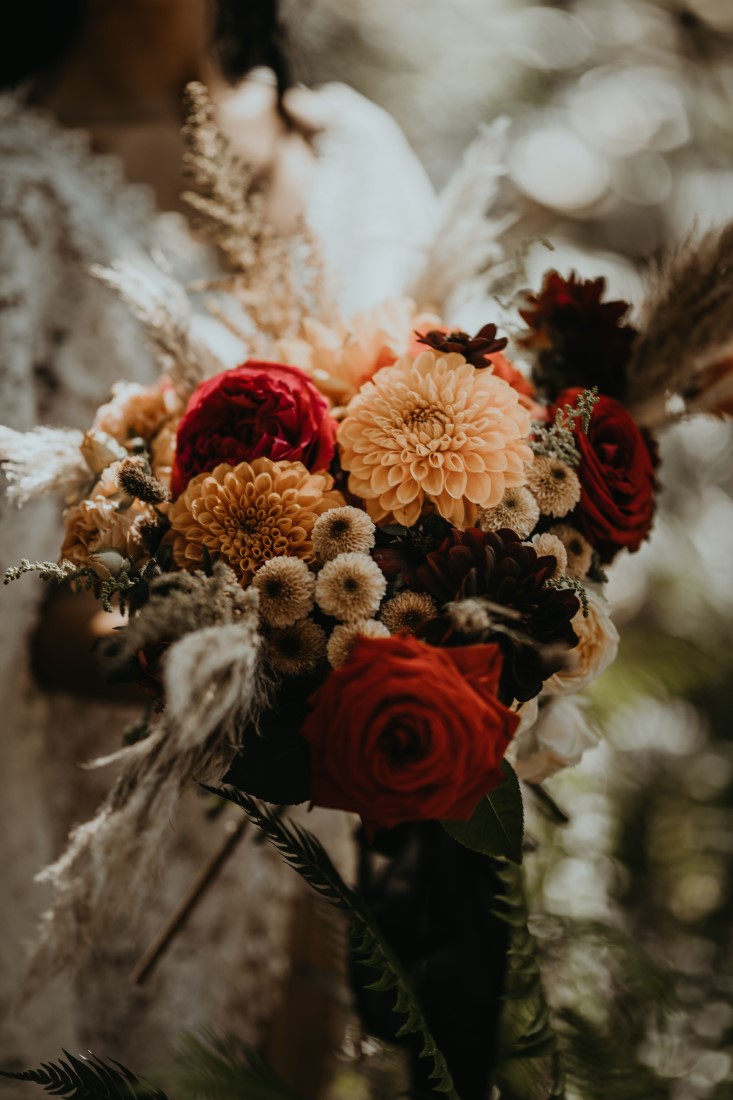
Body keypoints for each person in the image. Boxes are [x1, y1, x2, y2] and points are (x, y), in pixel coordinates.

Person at [0, 1, 436, 1091]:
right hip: (118, 844)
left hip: (338, 818)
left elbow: (473, 418)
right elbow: (26, 618)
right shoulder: (17, 186)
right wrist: (265, 654)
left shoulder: (354, 147)